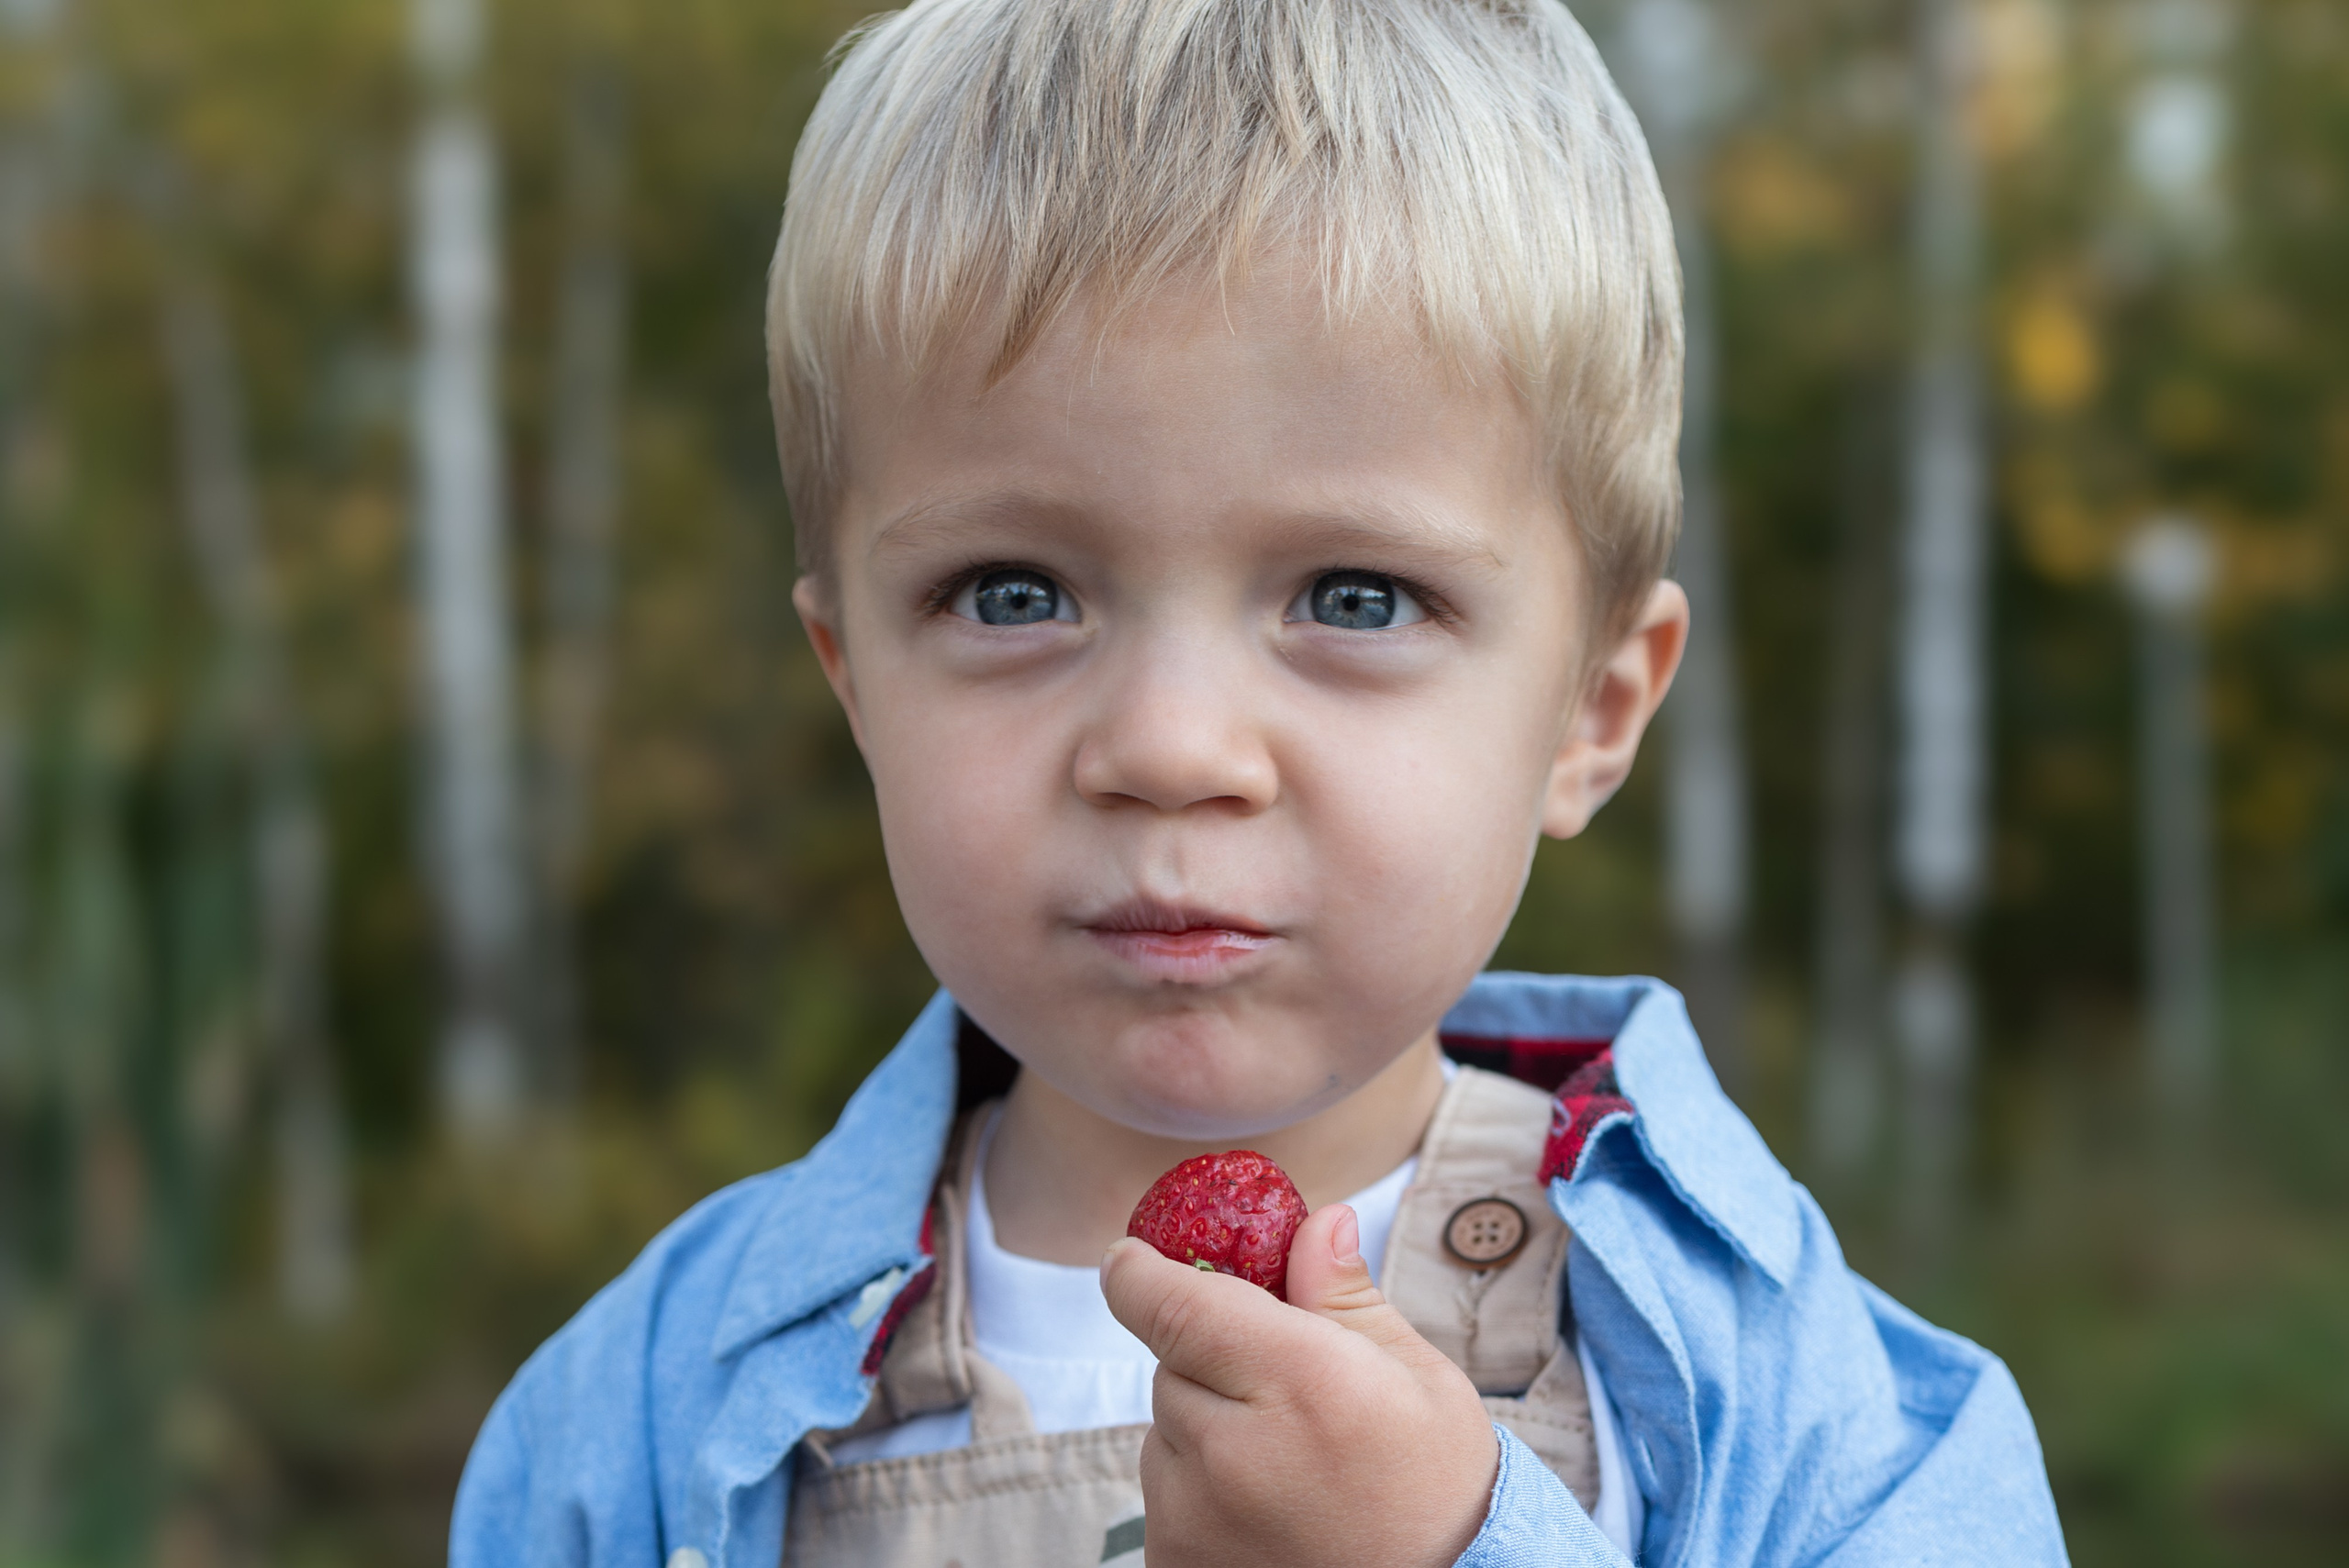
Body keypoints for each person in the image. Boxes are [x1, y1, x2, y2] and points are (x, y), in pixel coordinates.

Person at [451, 3, 2069, 1564]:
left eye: (1354, 597)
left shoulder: (1808, 1412)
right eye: (1015, 592)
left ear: (1593, 707)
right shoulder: (638, 1414)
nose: (1169, 747)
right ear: (856, 679)